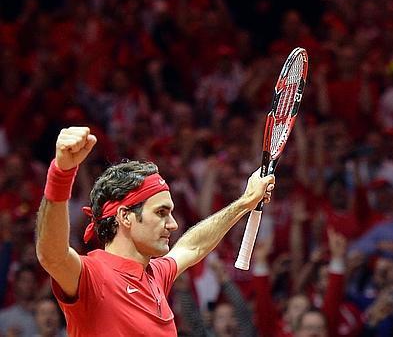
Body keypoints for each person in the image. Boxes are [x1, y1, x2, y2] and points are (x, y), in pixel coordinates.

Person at [35, 127, 275, 336]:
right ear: (125, 216)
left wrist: (245, 202)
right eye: (161, 212)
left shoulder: (156, 274)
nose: (173, 224)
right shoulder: (92, 275)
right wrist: (61, 173)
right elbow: (51, 255)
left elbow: (193, 245)